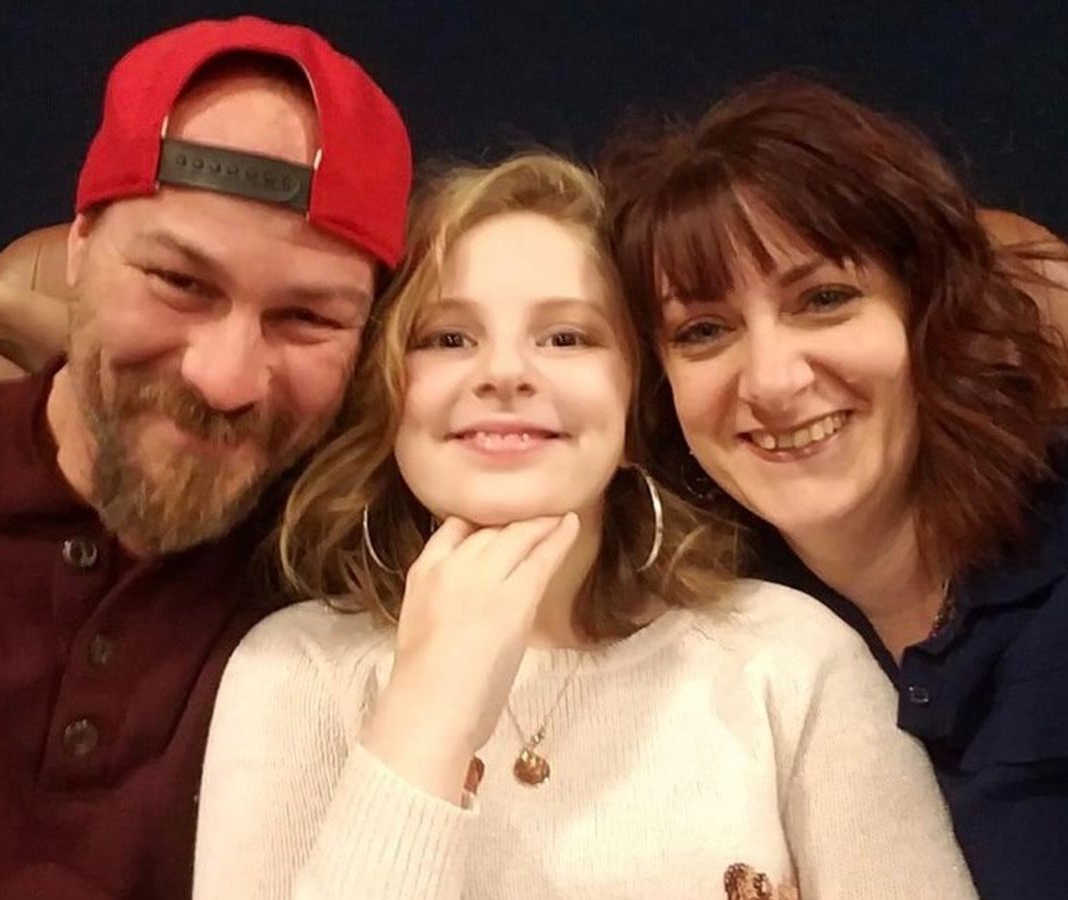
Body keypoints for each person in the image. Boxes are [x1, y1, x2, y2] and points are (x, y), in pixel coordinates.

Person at [190, 152, 975, 899]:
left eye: (566, 337)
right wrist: (424, 717)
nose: (505, 372)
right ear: (388, 395)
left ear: (637, 408)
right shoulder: (292, 672)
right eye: (448, 338)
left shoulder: (793, 660)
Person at [0, 15, 410, 899]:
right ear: (79, 247)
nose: (226, 379)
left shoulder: (361, 584)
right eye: (180, 283)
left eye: (308, 318)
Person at [600, 75, 1068, 900]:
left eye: (824, 300)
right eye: (704, 331)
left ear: (927, 312)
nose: (773, 382)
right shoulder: (717, 647)